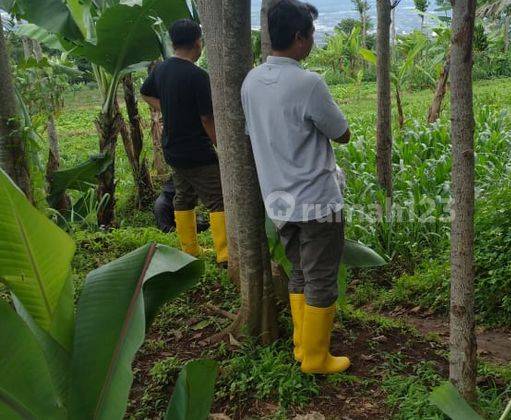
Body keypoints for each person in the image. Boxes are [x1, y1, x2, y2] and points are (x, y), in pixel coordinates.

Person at [241, 0, 352, 374]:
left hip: (279, 202)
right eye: (313, 34)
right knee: (321, 276)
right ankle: (317, 359)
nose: (314, 41)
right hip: (318, 200)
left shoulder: (251, 81)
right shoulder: (308, 83)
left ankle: (302, 347)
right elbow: (343, 134)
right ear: (300, 38)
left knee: (300, 271)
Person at [140, 19, 227, 265]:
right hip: (197, 151)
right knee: (218, 198)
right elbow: (207, 118)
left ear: (173, 42)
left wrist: (166, 109)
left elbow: (145, 93)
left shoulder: (161, 69)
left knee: (183, 196)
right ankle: (225, 255)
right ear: (198, 43)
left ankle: (189, 250)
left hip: (173, 149)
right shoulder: (198, 76)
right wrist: (220, 144)